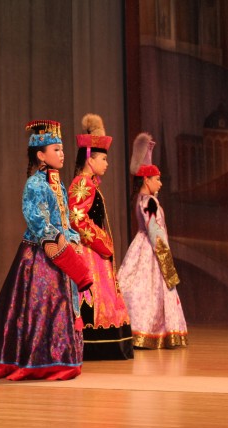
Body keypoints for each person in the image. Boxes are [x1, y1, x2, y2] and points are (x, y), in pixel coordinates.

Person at [0, 120, 92, 380]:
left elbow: (65, 220)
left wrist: (73, 239)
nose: (62, 154)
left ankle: (63, 358)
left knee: (60, 306)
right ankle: (41, 361)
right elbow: (38, 221)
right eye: (56, 149)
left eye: (62, 149)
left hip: (60, 251)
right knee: (42, 308)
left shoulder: (58, 184)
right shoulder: (35, 184)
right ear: (41, 155)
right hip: (40, 255)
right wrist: (61, 242)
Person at [68, 114, 133, 360]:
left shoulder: (90, 184)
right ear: (90, 159)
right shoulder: (83, 184)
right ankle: (93, 344)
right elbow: (77, 219)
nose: (107, 163)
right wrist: (103, 242)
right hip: (89, 253)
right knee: (94, 298)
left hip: (94, 252)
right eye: (103, 158)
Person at [117, 133, 188, 349]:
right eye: (157, 179)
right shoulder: (149, 202)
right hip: (150, 250)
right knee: (151, 290)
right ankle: (149, 330)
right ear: (146, 179)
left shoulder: (142, 200)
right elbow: (155, 233)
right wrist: (168, 266)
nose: (160, 183)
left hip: (142, 247)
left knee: (145, 289)